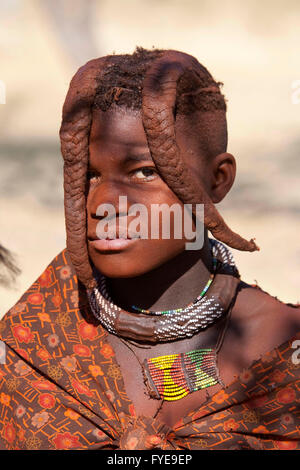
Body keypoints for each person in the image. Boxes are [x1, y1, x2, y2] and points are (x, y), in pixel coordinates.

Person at [0, 47, 299, 451]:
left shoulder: (281, 353)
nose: (103, 202)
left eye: (143, 172)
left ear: (218, 180)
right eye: (88, 175)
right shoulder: (37, 338)